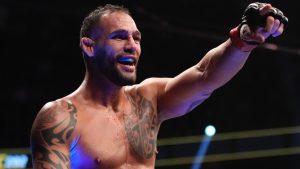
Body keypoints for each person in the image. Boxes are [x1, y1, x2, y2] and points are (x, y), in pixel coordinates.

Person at [30, 2, 288, 169]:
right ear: (89, 46)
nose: (132, 45)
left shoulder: (148, 100)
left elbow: (204, 75)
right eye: (119, 37)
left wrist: (242, 40)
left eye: (136, 38)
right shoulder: (61, 116)